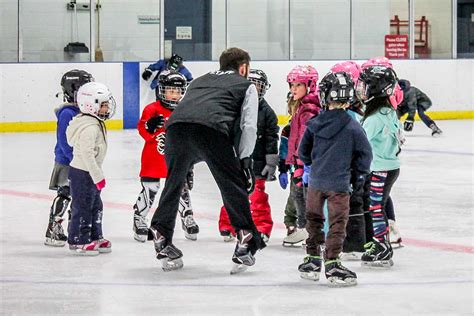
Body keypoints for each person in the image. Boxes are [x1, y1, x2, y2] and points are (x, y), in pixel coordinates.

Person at [147, 47, 265, 273]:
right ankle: (246, 240)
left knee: (173, 184)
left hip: (175, 129)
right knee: (232, 185)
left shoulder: (199, 80)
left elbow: (188, 110)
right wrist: (245, 161)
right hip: (211, 131)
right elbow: (248, 126)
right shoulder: (246, 85)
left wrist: (186, 163)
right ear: (243, 68)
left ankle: (161, 233)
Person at [297, 71, 372, 287]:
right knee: (337, 223)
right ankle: (332, 262)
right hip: (339, 185)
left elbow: (303, 153)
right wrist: (357, 176)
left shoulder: (314, 124)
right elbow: (365, 155)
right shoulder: (353, 126)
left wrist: (318, 163)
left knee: (314, 219)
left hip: (316, 183)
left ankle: (312, 259)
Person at [133, 70, 199, 242]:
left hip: (176, 160)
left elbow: (189, 137)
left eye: (178, 91)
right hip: (153, 159)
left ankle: (187, 217)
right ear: (162, 90)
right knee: (151, 189)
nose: (175, 95)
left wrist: (190, 163)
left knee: (181, 189)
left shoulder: (185, 110)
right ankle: (139, 219)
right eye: (171, 90)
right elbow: (142, 130)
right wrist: (149, 126)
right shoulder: (152, 109)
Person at [218, 69, 279, 243]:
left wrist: (271, 162)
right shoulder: (235, 108)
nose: (254, 91)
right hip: (236, 160)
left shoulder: (267, 113)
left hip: (257, 164)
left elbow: (271, 138)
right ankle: (227, 224)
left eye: (258, 87)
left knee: (257, 196)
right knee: (231, 193)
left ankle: (262, 226)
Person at [357, 65, 403, 268]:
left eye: (365, 85)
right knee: (377, 205)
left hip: (380, 169)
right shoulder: (388, 111)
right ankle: (381, 243)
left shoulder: (374, 118)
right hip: (389, 167)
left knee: (375, 207)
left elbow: (361, 142)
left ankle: (382, 245)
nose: (361, 89)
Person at [44, 69, 93, 247]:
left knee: (77, 195)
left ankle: (74, 227)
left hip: (79, 161)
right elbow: (64, 141)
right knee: (65, 193)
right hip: (68, 162)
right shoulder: (67, 113)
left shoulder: (84, 111)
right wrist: (76, 160)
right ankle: (53, 228)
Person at [66, 82, 116, 255]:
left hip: (89, 173)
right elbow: (87, 155)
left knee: (96, 205)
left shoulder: (95, 122)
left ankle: (94, 236)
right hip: (83, 173)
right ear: (90, 105)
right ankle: (78, 240)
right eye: (103, 105)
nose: (107, 108)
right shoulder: (90, 127)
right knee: (83, 206)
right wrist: (97, 176)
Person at [330, 61, 371, 260]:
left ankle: (355, 243)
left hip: (352, 168)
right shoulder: (352, 111)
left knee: (356, 202)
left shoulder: (352, 115)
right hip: (350, 167)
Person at [281, 65, 320, 247]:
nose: (293, 89)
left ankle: (309, 230)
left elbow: (307, 138)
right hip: (299, 161)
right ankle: (306, 228)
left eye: (298, 85)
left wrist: (304, 162)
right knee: (298, 194)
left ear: (310, 85)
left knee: (303, 195)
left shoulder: (309, 109)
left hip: (305, 162)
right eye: (291, 85)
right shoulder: (301, 106)